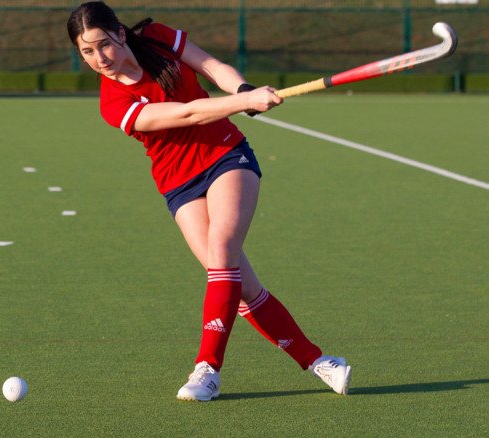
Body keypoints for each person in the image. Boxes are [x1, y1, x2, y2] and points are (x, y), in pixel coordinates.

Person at [67, 1, 351, 401]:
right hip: (177, 183)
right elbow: (188, 115)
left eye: (103, 45)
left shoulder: (157, 38)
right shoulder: (112, 103)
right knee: (241, 286)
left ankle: (207, 371)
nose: (100, 59)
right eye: (87, 52)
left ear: (120, 31)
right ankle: (321, 362)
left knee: (221, 250)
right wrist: (242, 103)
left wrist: (244, 90)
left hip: (224, 155)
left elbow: (212, 67)